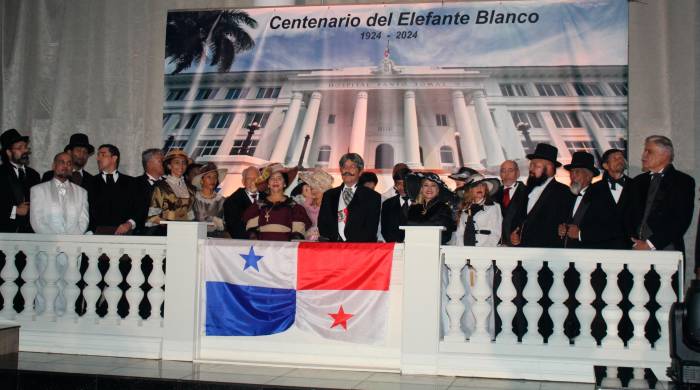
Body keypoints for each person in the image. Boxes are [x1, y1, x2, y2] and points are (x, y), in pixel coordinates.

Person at [625, 135, 695, 260]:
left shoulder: (683, 181)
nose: (643, 156)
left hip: (666, 250)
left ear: (665, 154)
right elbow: (628, 214)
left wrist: (650, 244)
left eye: (649, 151)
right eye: (644, 151)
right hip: (636, 250)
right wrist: (634, 241)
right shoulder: (638, 181)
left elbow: (681, 220)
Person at [510, 143, 574, 248]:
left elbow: (565, 224)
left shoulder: (563, 192)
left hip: (548, 254)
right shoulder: (525, 190)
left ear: (549, 168)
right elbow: (517, 220)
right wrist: (514, 234)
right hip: (523, 253)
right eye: (531, 165)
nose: (531, 169)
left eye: (536, 166)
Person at [558, 151, 625, 249]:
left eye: (577, 172)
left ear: (589, 175)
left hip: (592, 256)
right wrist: (562, 228)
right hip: (570, 255)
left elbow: (611, 227)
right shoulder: (568, 196)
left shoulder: (602, 195)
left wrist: (581, 234)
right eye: (571, 172)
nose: (572, 176)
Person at [318, 153, 381, 242]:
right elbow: (322, 224)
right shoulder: (329, 195)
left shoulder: (372, 197)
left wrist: (351, 247)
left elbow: (371, 229)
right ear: (340, 170)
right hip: (333, 249)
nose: (347, 170)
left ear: (360, 172)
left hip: (359, 250)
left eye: (352, 167)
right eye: (344, 167)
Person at [243, 164, 311, 241]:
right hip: (261, 248)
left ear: (285, 184)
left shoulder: (294, 206)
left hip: (284, 248)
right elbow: (252, 232)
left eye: (279, 178)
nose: (275, 181)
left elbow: (297, 233)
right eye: (272, 178)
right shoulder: (258, 205)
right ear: (268, 184)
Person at [30, 152, 89, 235]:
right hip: (48, 243)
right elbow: (37, 221)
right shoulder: (38, 190)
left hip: (73, 243)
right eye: (62, 162)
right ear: (54, 166)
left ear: (72, 168)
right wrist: (56, 240)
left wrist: (71, 239)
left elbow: (83, 221)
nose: (65, 166)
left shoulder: (82, 192)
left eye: (69, 163)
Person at [88, 144, 138, 235]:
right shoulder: (89, 182)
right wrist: (90, 231)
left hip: (126, 236)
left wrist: (129, 224)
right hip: (96, 236)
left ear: (114, 158)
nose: (98, 159)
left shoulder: (132, 183)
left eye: (102, 155)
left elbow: (139, 208)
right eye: (98, 155)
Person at [145, 149, 196, 234]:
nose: (181, 166)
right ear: (169, 166)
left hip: (186, 231)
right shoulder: (161, 186)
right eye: (177, 162)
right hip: (165, 231)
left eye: (184, 163)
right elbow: (153, 217)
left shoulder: (191, 188)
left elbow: (190, 214)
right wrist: (170, 225)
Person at [0, 129, 41, 233]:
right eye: (19, 148)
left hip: (30, 235)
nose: (25, 151)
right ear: (9, 152)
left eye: (25, 147)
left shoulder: (34, 175)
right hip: (5, 233)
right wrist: (15, 210)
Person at [451, 173, 502, 247]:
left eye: (482, 185)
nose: (479, 188)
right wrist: (462, 250)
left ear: (486, 189)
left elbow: (496, 233)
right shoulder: (464, 209)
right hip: (466, 250)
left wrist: (483, 251)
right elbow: (460, 233)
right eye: (475, 186)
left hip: (486, 250)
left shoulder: (494, 207)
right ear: (470, 190)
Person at [405, 172, 455, 245]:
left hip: (436, 248)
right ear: (421, 189)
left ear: (438, 190)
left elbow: (446, 234)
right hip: (415, 247)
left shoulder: (444, 208)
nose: (429, 189)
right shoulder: (414, 208)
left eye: (433, 185)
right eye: (426, 185)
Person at [494, 160, 527, 246]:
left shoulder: (528, 193)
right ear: (500, 174)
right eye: (503, 171)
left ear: (518, 173)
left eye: (510, 170)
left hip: (518, 244)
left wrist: (520, 234)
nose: (507, 174)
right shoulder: (493, 194)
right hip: (495, 244)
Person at [223, 166, 260, 239]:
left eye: (256, 178)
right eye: (249, 178)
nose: (253, 181)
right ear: (243, 181)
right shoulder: (232, 201)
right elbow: (234, 226)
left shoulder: (267, 198)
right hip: (244, 243)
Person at [297, 169, 334, 241]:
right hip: (307, 241)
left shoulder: (332, 205)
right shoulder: (305, 204)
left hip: (325, 241)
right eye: (312, 187)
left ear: (325, 189)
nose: (313, 190)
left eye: (317, 187)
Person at [134, 148, 164, 235]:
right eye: (160, 161)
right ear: (149, 163)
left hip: (169, 233)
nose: (164, 164)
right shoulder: (134, 184)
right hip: (143, 233)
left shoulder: (170, 183)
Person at [192, 163, 227, 237]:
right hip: (196, 237)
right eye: (209, 177)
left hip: (216, 240)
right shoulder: (193, 198)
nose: (212, 180)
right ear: (201, 180)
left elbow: (226, 223)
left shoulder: (222, 200)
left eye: (215, 177)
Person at [381, 166, 412, 243]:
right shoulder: (387, 204)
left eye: (406, 184)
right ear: (395, 185)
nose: (403, 188)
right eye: (399, 184)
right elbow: (385, 229)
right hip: (394, 248)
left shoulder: (422, 203)